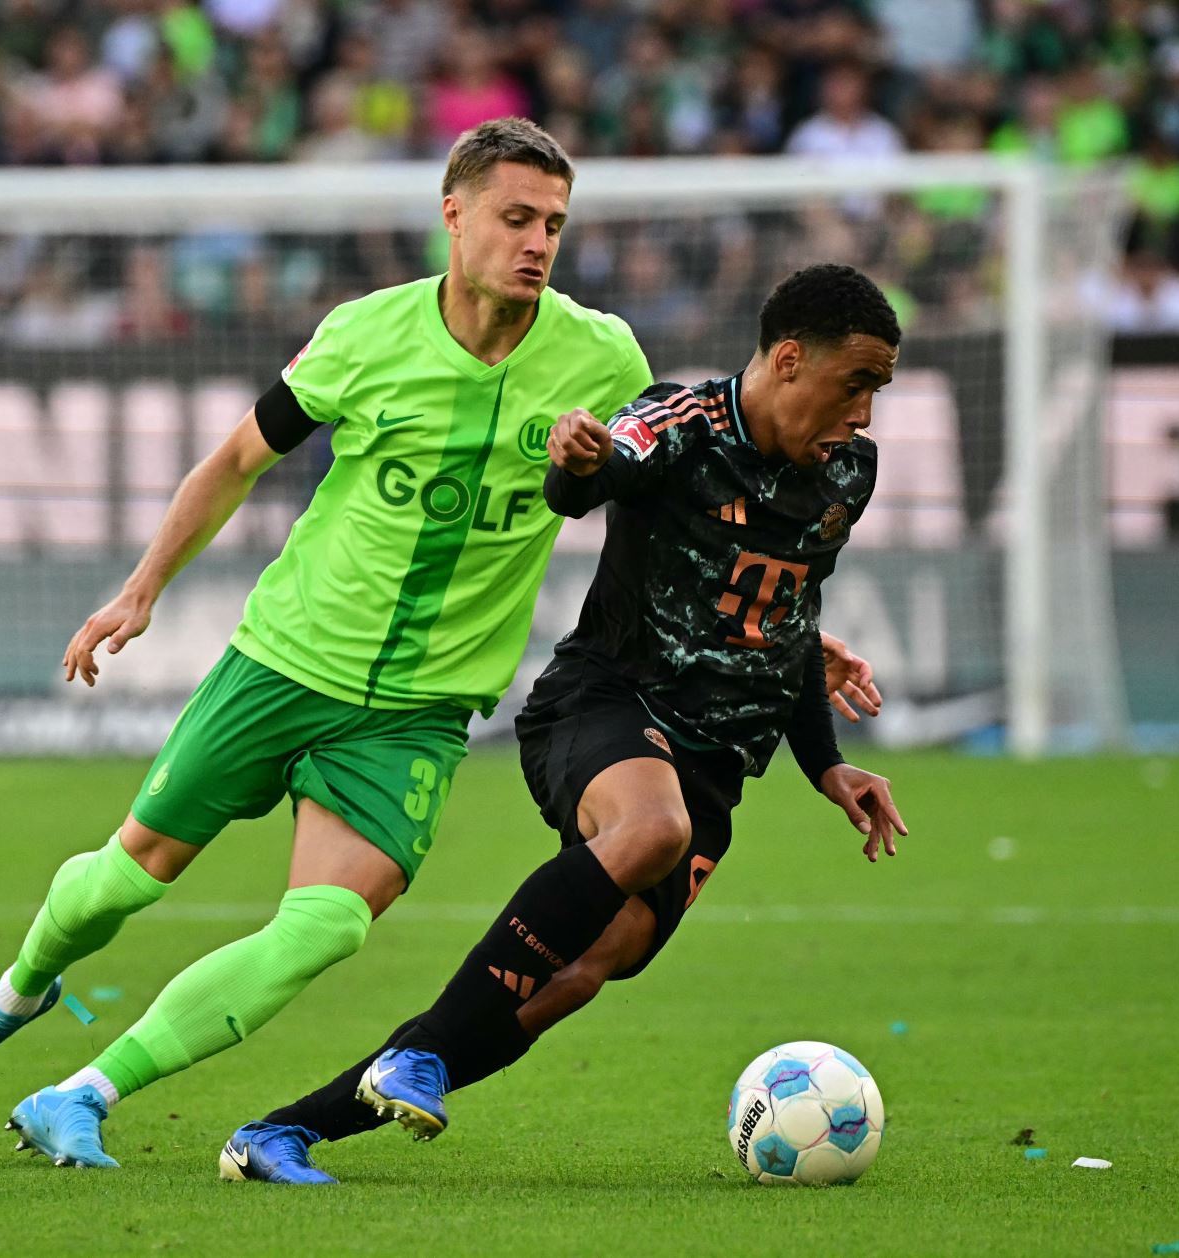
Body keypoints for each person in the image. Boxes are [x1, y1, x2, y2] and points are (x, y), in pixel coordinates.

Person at [0, 118, 654, 1169]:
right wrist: (143, 587)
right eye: (515, 217)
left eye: (554, 226)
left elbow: (675, 503)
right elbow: (235, 459)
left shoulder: (604, 356)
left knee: (328, 927)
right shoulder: (365, 336)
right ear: (455, 215)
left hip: (419, 709)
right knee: (128, 878)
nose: (537, 242)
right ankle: (16, 990)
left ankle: (81, 1092)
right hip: (285, 662)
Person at [221, 263, 909, 1185]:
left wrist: (826, 764)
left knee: (579, 972)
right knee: (649, 831)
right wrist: (576, 463)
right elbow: (595, 474)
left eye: (878, 390)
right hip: (604, 705)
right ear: (789, 360)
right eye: (855, 383)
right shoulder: (681, 424)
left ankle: (282, 1132)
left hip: (714, 763)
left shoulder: (846, 474)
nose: (864, 412)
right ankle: (410, 1065)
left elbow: (784, 620)